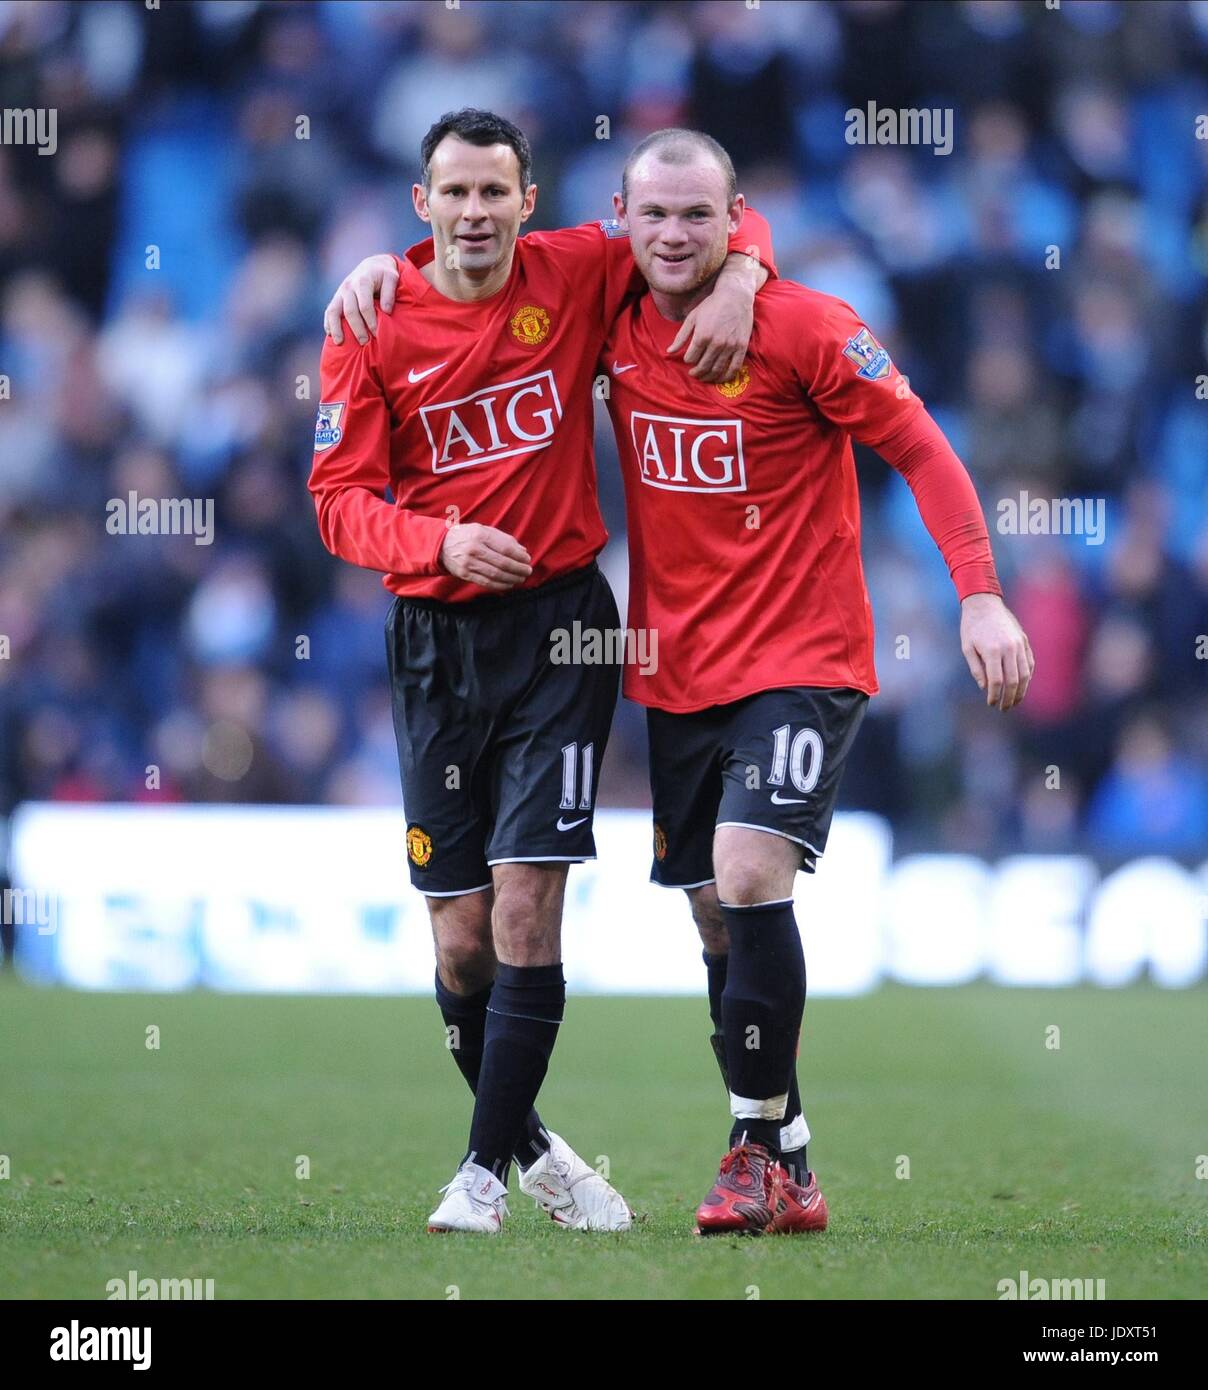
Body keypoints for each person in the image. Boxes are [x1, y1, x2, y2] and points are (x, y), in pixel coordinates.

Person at [332, 126, 1035, 1236]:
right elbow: (353, 463)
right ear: (618, 215)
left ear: (732, 215)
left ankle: (745, 1147)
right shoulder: (598, 315)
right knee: (710, 916)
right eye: (652, 216)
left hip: (797, 656)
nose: (673, 235)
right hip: (671, 667)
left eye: (700, 217)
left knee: (748, 873)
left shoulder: (804, 325)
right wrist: (383, 264)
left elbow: (919, 447)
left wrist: (979, 590)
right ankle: (781, 1150)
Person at [309, 108, 774, 1235]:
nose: (475, 212)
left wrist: (742, 283)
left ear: (530, 201)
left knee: (526, 909)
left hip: (563, 631)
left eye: (494, 193)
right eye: (453, 194)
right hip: (432, 640)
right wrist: (438, 541)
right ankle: (537, 1154)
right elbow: (335, 502)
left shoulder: (575, 269)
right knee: (460, 939)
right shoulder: (371, 319)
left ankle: (474, 1179)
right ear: (421, 207)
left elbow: (707, 218)